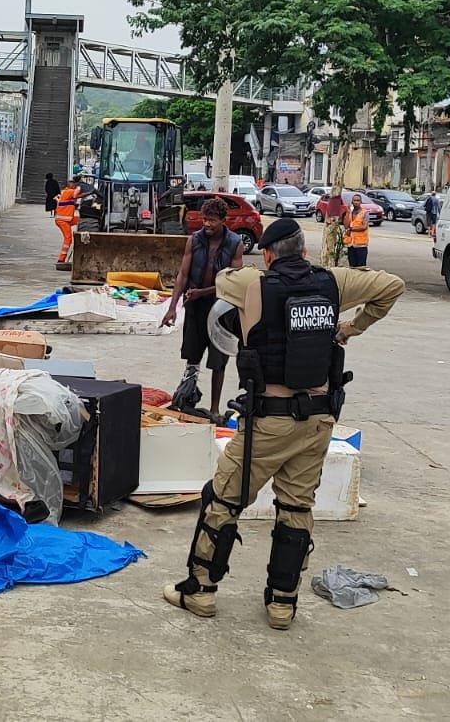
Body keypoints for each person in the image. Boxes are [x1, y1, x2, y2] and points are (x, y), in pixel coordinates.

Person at [163, 218, 406, 630]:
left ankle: (200, 592)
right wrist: (348, 329)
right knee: (296, 507)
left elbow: (222, 280)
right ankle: (282, 605)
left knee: (222, 500)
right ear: (305, 252)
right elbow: (392, 286)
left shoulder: (251, 284)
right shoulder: (334, 283)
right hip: (317, 421)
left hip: (269, 423)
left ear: (271, 254)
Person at [161, 198, 245, 416]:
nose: (207, 225)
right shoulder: (194, 240)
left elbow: (234, 283)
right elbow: (183, 274)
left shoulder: (235, 243)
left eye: (212, 221)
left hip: (222, 311)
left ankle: (215, 410)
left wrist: (203, 292)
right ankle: (187, 398)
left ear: (223, 221)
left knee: (218, 362)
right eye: (205, 220)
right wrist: (173, 307)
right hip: (195, 307)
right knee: (192, 356)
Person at [53, 175, 80, 271]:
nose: (75, 185)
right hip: (63, 220)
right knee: (68, 239)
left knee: (80, 219)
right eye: (74, 183)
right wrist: (81, 185)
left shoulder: (65, 191)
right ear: (70, 184)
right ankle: (61, 259)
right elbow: (78, 193)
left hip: (67, 218)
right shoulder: (69, 192)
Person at [344, 193, 372, 268]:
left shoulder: (364, 212)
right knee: (352, 267)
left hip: (361, 245)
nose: (356, 202)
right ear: (352, 202)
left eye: (358, 200)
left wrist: (351, 229)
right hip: (351, 244)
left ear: (361, 202)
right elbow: (346, 226)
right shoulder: (350, 212)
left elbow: (364, 227)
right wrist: (347, 212)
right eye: (354, 200)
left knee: (361, 267)